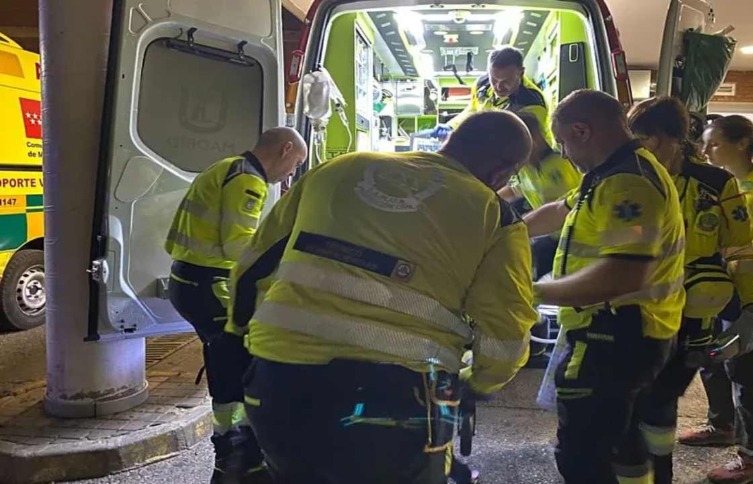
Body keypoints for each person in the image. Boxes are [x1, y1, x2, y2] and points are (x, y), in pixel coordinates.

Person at [229, 110, 537, 483]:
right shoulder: (496, 216)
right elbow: (505, 335)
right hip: (398, 397)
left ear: (450, 140)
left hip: (279, 376)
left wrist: (243, 335)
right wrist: (478, 384)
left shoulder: (338, 169)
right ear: (502, 175)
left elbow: (252, 268)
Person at [526, 89, 686, 483]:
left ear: (582, 131)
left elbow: (622, 275)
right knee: (621, 443)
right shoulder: (612, 172)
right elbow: (559, 211)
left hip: (616, 336)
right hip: (625, 331)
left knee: (583, 454)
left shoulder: (627, 183)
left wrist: (531, 293)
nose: (563, 153)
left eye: (563, 142)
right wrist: (506, 230)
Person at [626, 97, 753, 484]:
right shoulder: (632, 179)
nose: (643, 147)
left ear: (675, 137)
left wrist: (750, 309)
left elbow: (741, 250)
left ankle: (660, 473)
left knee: (662, 397)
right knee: (637, 402)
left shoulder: (716, 184)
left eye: (648, 138)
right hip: (638, 311)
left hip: (692, 317)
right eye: (637, 138)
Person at [164, 127, 307, 483]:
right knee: (238, 367)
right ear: (285, 149)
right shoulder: (249, 181)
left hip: (187, 281)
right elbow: (240, 249)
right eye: (294, 165)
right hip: (210, 285)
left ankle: (234, 454)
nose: (290, 174)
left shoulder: (226, 167)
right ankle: (238, 455)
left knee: (224, 360)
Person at [678, 115, 753, 483]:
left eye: (714, 143)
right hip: (712, 287)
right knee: (711, 358)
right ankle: (721, 426)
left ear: (742, 143)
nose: (706, 150)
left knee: (746, 368)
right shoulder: (708, 184)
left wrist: (737, 264)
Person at [498, 112, 583, 280]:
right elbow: (516, 190)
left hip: (572, 238)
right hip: (550, 234)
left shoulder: (562, 163)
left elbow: (565, 206)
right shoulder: (525, 168)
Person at [429, 46, 551, 144]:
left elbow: (507, 137)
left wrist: (462, 136)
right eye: (494, 80)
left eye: (506, 81)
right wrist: (452, 126)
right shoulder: (482, 84)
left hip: (531, 159)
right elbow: (472, 111)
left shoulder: (533, 103)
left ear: (521, 73)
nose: (498, 87)